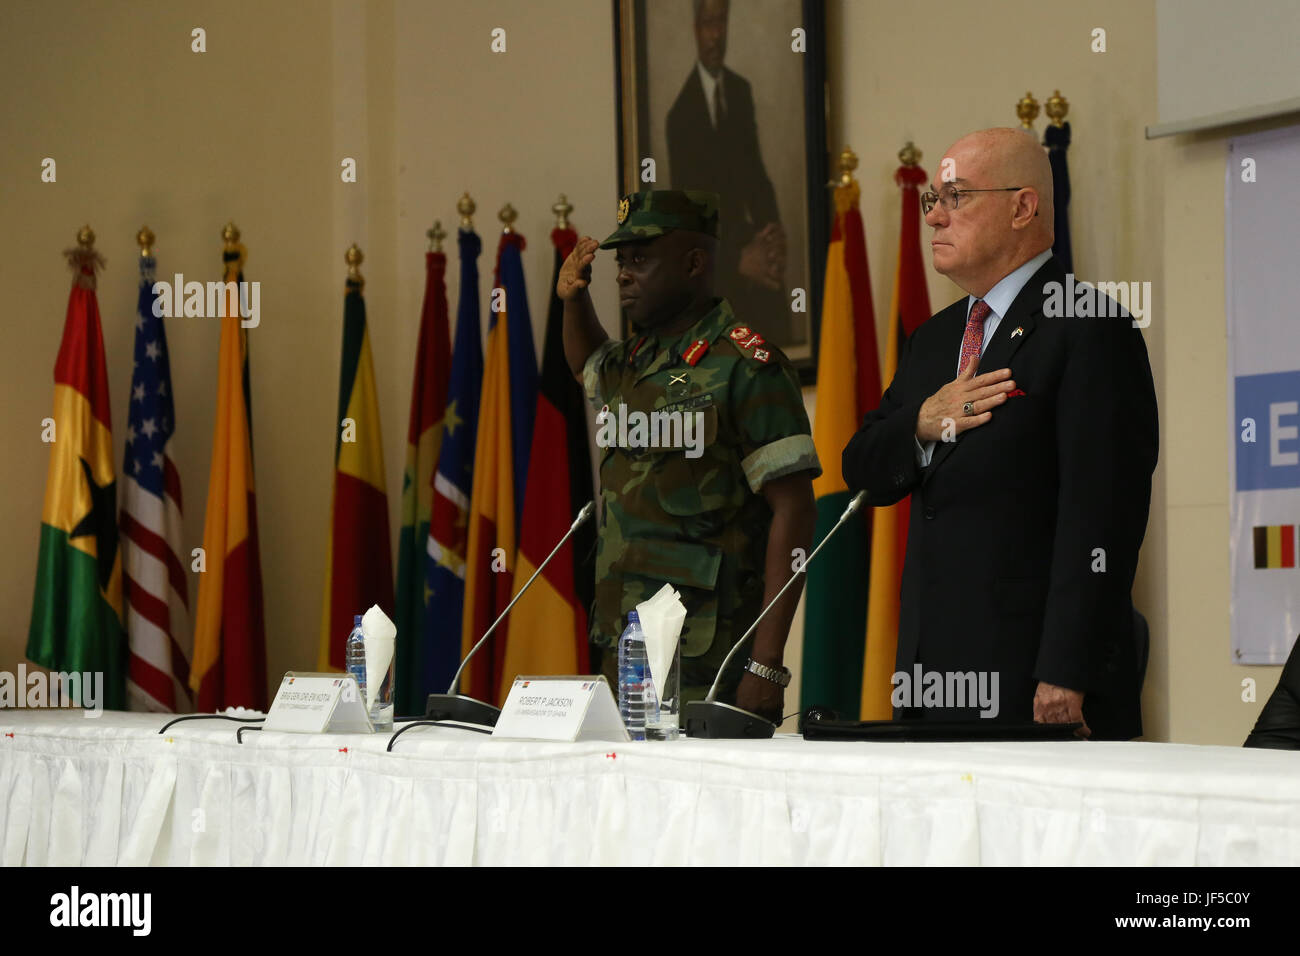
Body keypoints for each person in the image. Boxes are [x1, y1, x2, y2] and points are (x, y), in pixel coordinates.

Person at [842, 128, 1159, 740]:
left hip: (1035, 683)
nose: (934, 214)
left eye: (956, 196)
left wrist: (1066, 673)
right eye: (932, 197)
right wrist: (922, 423)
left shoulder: (1089, 328)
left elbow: (1103, 519)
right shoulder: (935, 341)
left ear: (1022, 207)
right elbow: (862, 467)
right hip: (931, 676)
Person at [557, 189, 818, 722]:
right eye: (621, 262)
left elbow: (794, 512)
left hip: (710, 660)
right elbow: (586, 364)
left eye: (642, 260)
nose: (624, 275)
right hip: (624, 651)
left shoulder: (747, 364)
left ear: (695, 263)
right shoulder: (634, 362)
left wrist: (766, 666)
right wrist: (573, 299)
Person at [666, 0, 791, 344]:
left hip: (750, 242)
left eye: (721, 22)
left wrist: (772, 236)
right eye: (708, 24)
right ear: (695, 30)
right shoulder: (680, 116)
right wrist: (738, 259)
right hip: (714, 261)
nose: (716, 34)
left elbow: (757, 177)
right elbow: (691, 217)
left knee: (775, 332)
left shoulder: (739, 92)